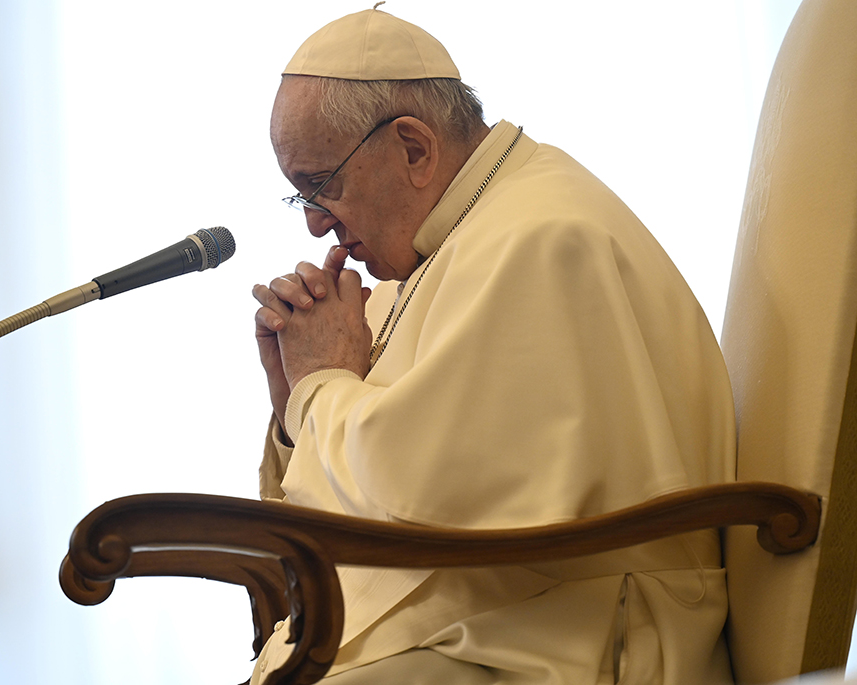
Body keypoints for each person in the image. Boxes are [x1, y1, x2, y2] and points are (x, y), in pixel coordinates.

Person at [250, 8, 736, 684]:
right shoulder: (426, 254)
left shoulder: (539, 238)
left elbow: (429, 500)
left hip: (564, 632)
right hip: (479, 620)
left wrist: (322, 388)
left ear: (414, 148)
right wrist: (291, 406)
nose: (313, 225)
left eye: (321, 186)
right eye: (295, 195)